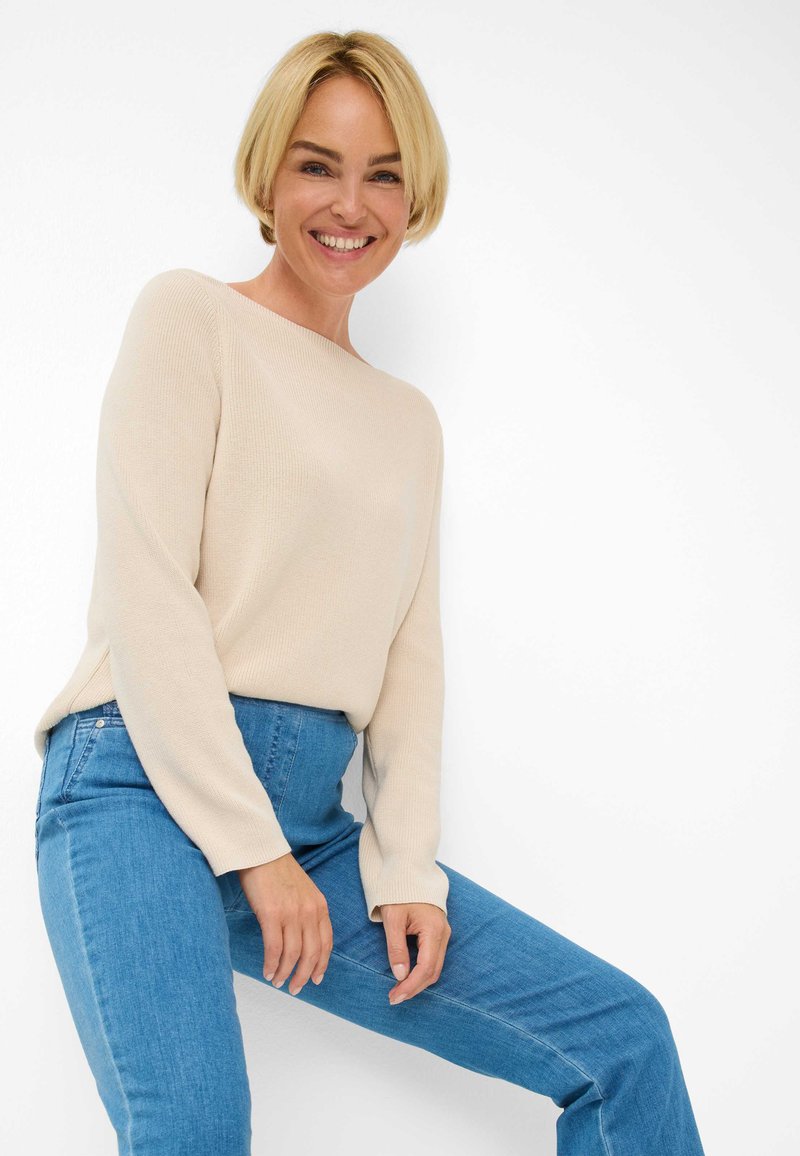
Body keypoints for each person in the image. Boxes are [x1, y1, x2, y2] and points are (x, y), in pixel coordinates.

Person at [33, 29, 706, 1156]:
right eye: (318, 165)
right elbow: (149, 595)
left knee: (619, 1041)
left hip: (309, 822)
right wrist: (251, 850)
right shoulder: (189, 317)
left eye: (383, 174)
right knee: (195, 1132)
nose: (350, 205)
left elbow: (408, 665)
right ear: (267, 174)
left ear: (414, 197)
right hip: (138, 784)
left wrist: (405, 871)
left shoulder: (407, 423)